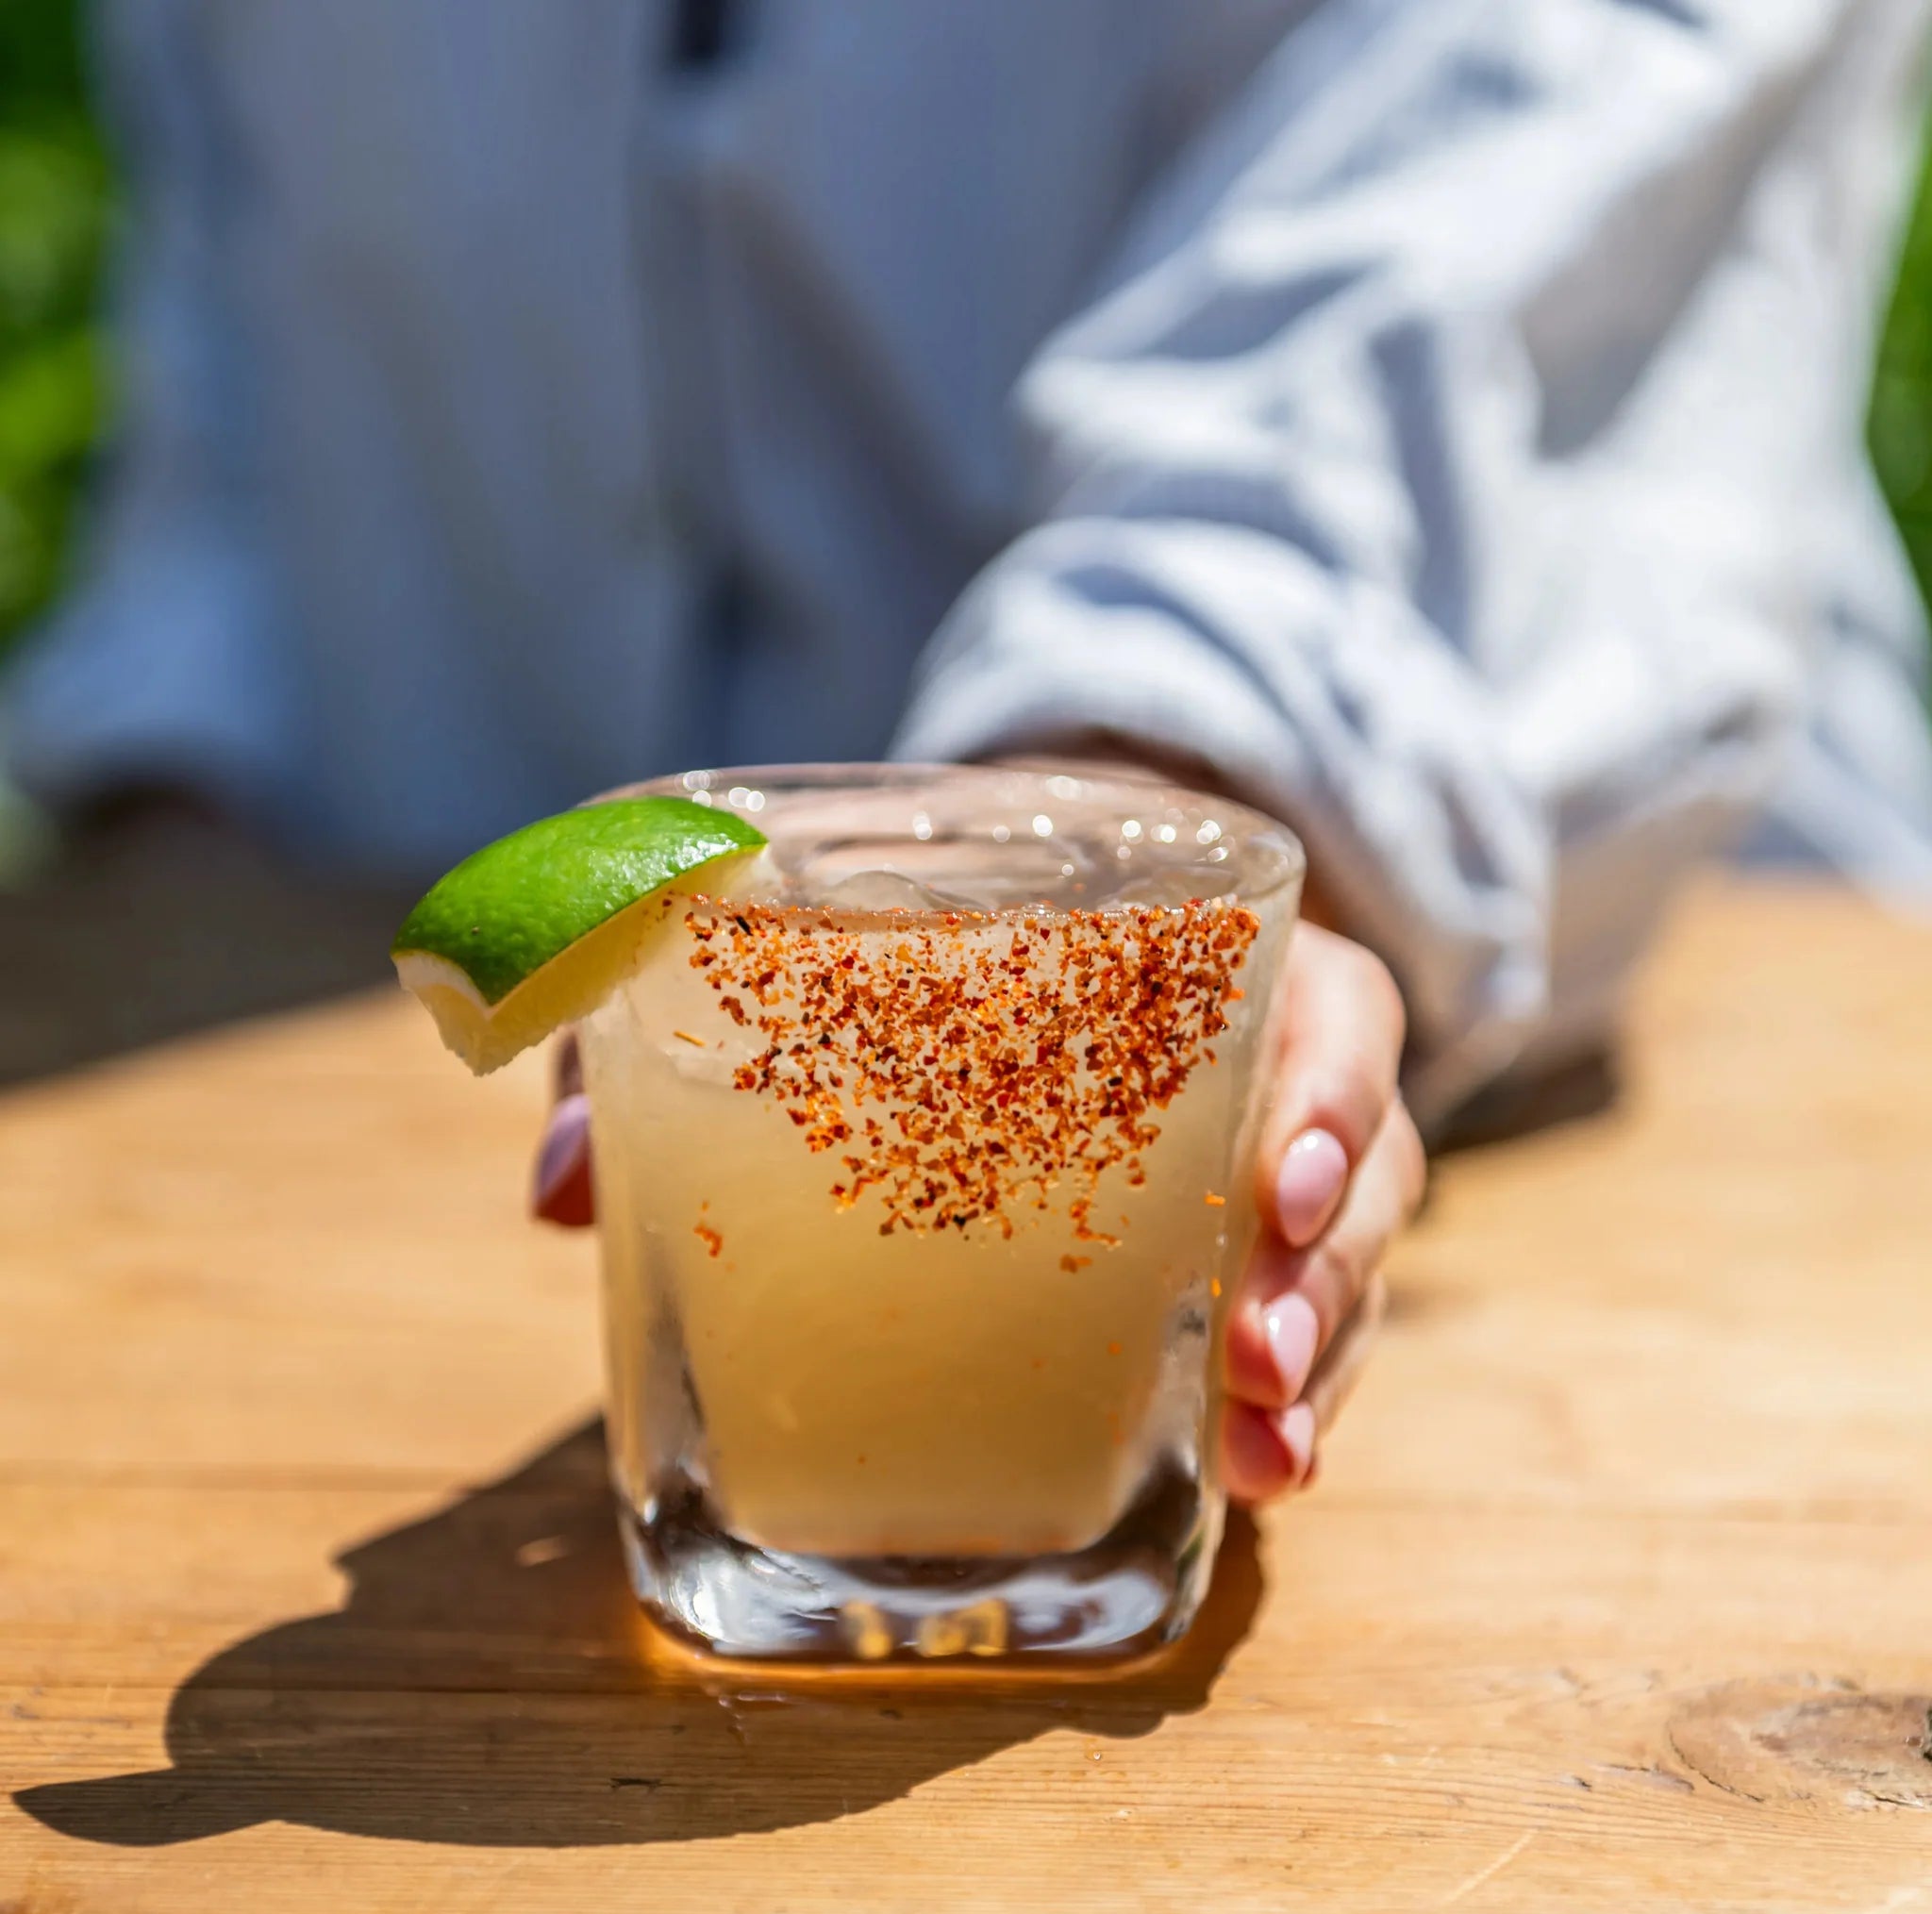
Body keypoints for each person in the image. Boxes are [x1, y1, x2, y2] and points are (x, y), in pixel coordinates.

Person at [8, 0, 1932, 1501]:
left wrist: (1134, 838)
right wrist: (181, 859)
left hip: (1653, 1159)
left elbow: (1508, 192)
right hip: (397, 1204)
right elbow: (234, 368)